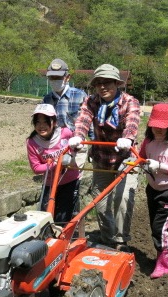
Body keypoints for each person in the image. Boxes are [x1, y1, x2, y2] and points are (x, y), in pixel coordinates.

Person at [68, 64, 140, 252]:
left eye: (107, 82)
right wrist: (78, 136)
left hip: (125, 158)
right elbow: (83, 119)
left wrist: (128, 138)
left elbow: (132, 121)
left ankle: (121, 240)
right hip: (101, 158)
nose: (102, 87)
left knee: (122, 198)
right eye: (98, 83)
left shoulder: (129, 102)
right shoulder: (91, 101)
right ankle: (108, 239)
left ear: (117, 83)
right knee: (100, 202)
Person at [139, 103, 168, 279]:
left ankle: (164, 263)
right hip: (152, 189)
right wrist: (131, 161)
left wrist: (160, 165)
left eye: (163, 127)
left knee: (160, 229)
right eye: (155, 126)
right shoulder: (148, 141)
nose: (158, 130)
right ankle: (161, 255)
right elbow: (141, 157)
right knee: (155, 226)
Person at [26, 103, 80, 224]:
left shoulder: (65, 133)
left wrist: (76, 149)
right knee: (46, 214)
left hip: (70, 180)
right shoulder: (32, 142)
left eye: (45, 122)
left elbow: (76, 146)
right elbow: (36, 168)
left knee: (64, 216)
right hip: (50, 183)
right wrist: (54, 164)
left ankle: (64, 237)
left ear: (54, 122)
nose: (41, 126)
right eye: (38, 122)